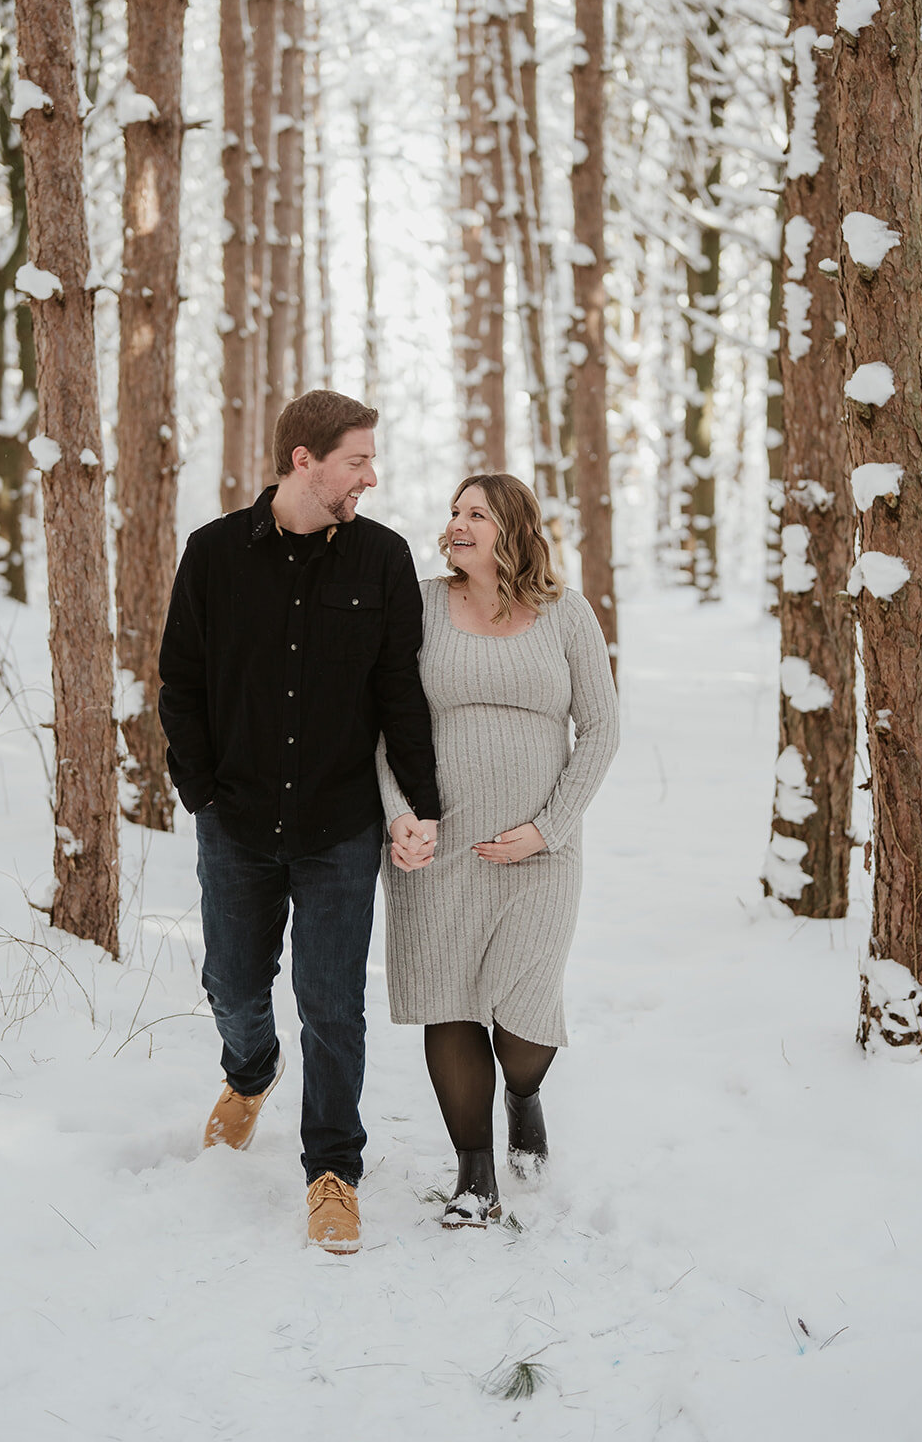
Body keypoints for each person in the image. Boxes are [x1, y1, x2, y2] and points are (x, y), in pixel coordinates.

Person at [158, 391, 440, 1254]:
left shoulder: (382, 558)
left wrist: (420, 806)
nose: (371, 475)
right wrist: (201, 791)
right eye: (357, 458)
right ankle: (249, 1072)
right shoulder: (212, 554)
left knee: (332, 1006)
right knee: (234, 987)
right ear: (303, 460)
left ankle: (332, 1173)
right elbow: (181, 682)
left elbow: (399, 692)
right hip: (235, 820)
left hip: (338, 828)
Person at [378, 473, 619, 1227]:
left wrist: (549, 826)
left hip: (540, 850)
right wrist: (399, 816)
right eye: (451, 511)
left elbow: (602, 729)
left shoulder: (563, 612)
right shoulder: (418, 604)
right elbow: (384, 718)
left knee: (521, 1019)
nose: (455, 523)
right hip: (435, 850)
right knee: (447, 1006)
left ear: (511, 527)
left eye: (474, 513)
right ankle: (474, 1179)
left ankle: (523, 1093)